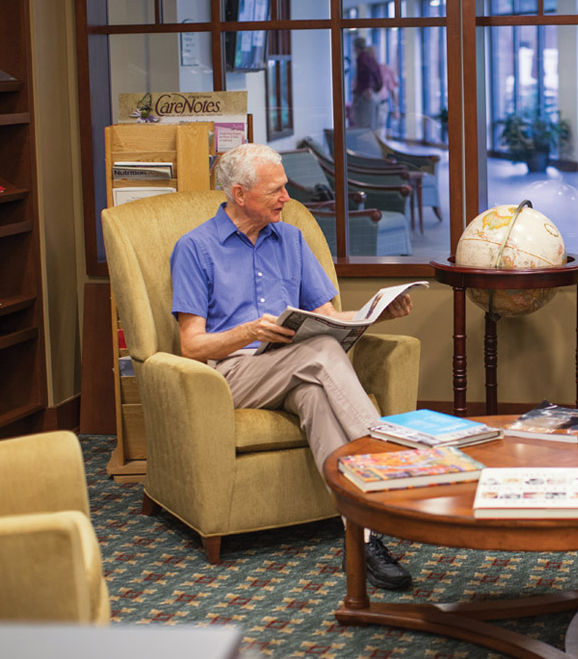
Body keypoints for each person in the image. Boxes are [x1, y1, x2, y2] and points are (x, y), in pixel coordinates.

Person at [170, 143, 415, 591]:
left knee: (316, 396)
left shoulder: (292, 238)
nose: (287, 197)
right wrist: (249, 333)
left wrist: (373, 312)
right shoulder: (195, 248)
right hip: (231, 374)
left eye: (285, 188)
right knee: (321, 354)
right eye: (276, 190)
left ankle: (363, 538)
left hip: (294, 369)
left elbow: (326, 314)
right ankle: (391, 456)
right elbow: (190, 346)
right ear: (240, 194)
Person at [351, 36, 384, 129]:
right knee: (372, 127)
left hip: (367, 96)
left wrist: (368, 88)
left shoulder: (362, 57)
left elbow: (367, 73)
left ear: (356, 47)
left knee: (365, 128)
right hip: (374, 95)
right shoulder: (370, 57)